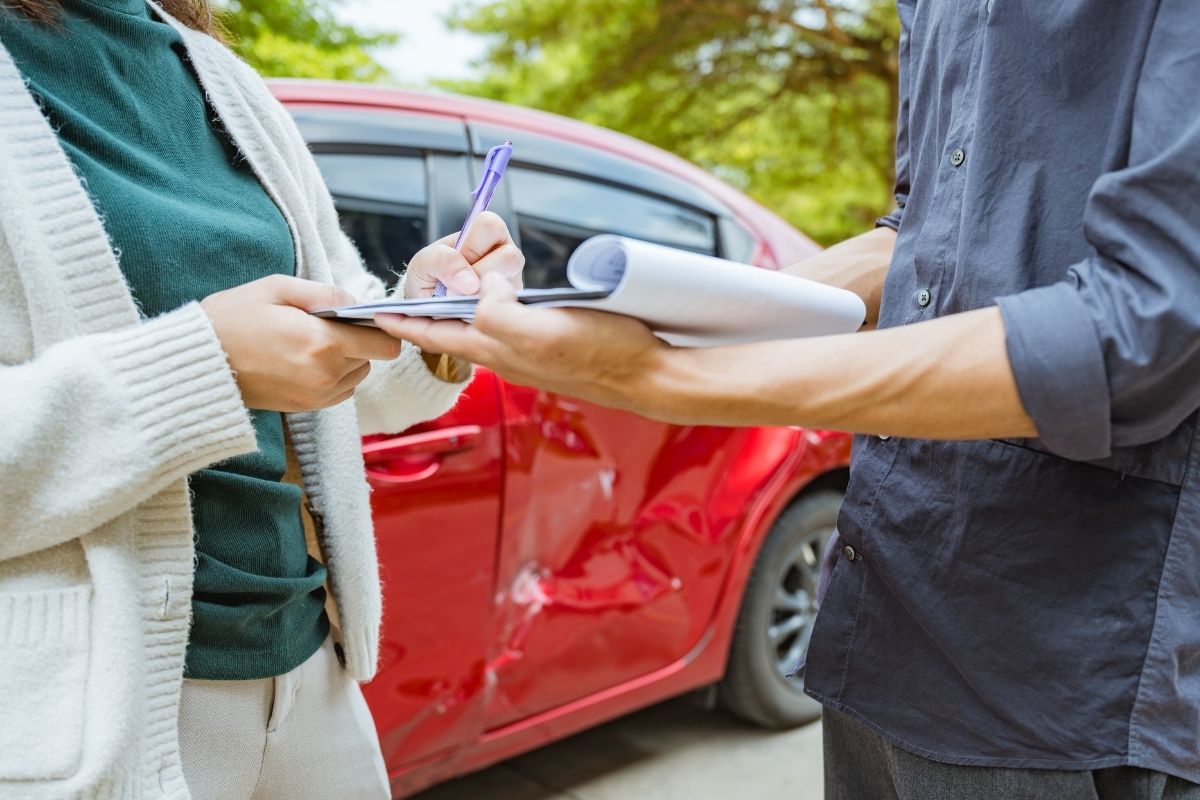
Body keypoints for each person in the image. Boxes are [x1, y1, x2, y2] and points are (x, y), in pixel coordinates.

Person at [381, 2, 1200, 798]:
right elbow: (919, 231)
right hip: (885, 602)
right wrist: (692, 315)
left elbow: (1146, 321)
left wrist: (665, 379)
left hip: (1066, 656)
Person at [0, 1, 522, 798]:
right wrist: (202, 367)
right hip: (81, 718)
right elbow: (228, 363)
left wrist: (424, 319)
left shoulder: (221, 76)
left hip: (308, 667)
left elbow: (329, 371)